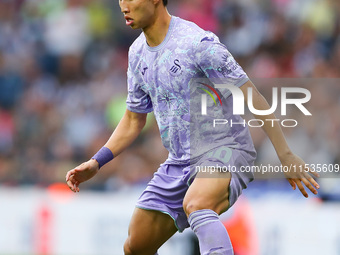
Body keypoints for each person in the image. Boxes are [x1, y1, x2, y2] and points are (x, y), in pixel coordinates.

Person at [66, 0, 320, 254]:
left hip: (225, 149)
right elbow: (134, 119)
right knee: (136, 246)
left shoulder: (198, 44)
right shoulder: (136, 54)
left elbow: (251, 95)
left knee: (198, 204)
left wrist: (284, 154)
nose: (123, 5)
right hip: (178, 162)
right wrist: (97, 161)